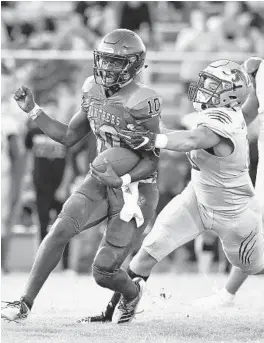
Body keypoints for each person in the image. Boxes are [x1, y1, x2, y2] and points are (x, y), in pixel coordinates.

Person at [1, 29, 161, 324]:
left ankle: (132, 292)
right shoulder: (93, 89)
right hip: (101, 178)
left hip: (135, 189)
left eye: (116, 62)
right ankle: (23, 304)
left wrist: (123, 180)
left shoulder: (144, 100)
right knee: (59, 229)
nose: (107, 67)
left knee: (103, 271)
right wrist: (34, 110)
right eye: (105, 60)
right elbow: (68, 136)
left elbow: (152, 162)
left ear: (134, 65)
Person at [87, 59, 264, 323]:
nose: (204, 87)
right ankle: (113, 313)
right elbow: (248, 112)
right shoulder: (230, 111)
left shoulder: (221, 119)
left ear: (229, 95)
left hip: (234, 215)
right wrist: (255, 83)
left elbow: (194, 139)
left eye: (212, 84)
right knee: (148, 252)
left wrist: (155, 138)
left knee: (255, 266)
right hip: (197, 199)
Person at [192, 57, 264, 308]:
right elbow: (246, 116)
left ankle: (227, 295)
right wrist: (214, 129)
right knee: (255, 225)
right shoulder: (260, 69)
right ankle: (228, 295)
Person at [1, 62, 23, 273]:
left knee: (3, 218)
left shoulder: (8, 117)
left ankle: (2, 265)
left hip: (3, 175)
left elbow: (18, 154)